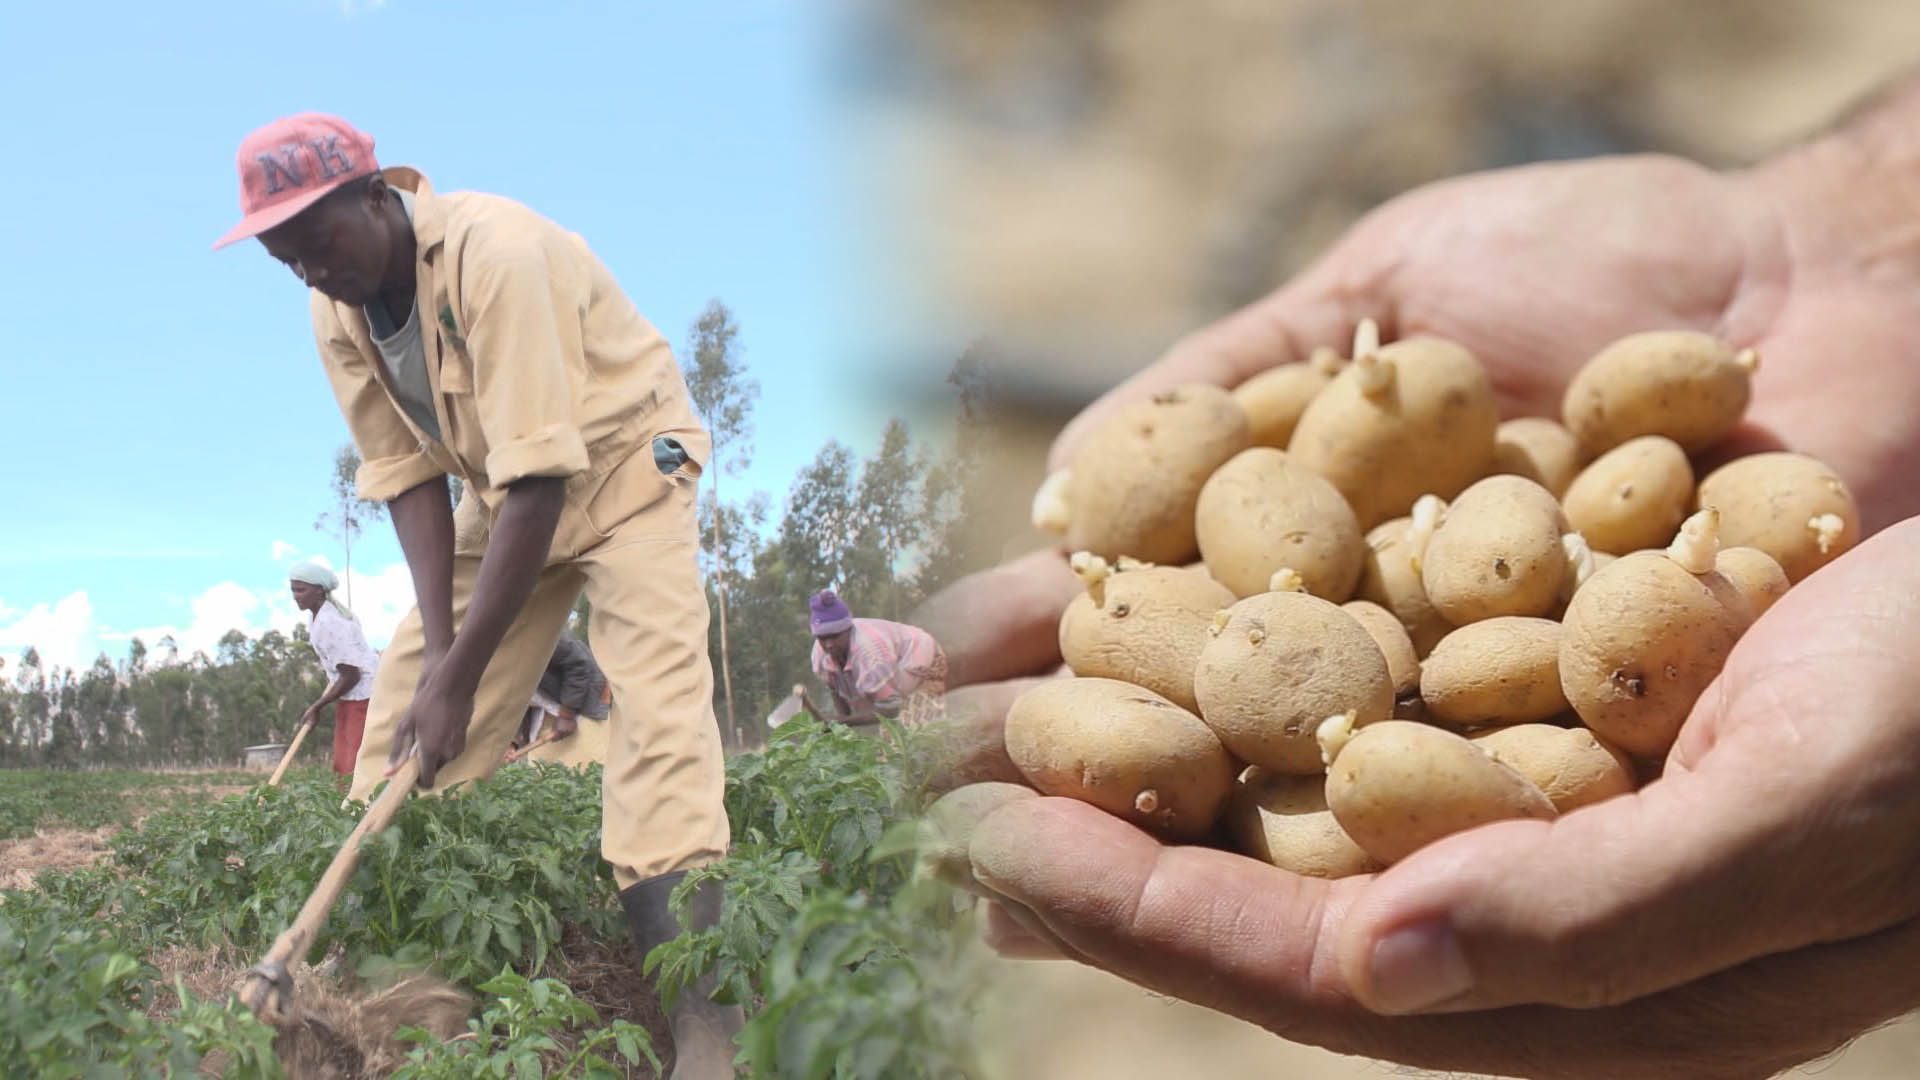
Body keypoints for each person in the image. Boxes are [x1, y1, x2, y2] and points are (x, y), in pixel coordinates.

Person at [913, 69, 1920, 1080]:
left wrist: (1850, 252)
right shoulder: (1323, 606)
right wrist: (1846, 231)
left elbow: (1480, 655)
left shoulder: (1531, 568)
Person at [213, 113, 740, 1078]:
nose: (310, 273)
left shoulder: (497, 254)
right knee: (405, 719)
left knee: (659, 736)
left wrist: (465, 679)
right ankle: (381, 987)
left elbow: (545, 480)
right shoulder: (335, 306)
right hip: (502, 497)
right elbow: (411, 478)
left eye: (317, 243)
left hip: (628, 471)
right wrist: (445, 662)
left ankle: (709, 1033)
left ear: (379, 197)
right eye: (286, 261)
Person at [288, 560, 380, 777]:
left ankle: (360, 808)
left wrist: (317, 706)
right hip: (351, 694)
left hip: (363, 695)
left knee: (354, 764)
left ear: (319, 590)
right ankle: (346, 806)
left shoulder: (330, 622)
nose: (296, 596)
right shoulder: (318, 616)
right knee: (343, 761)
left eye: (301, 590)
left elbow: (352, 676)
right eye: (293, 590)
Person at [807, 589, 948, 731]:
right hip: (891, 673)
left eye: (836, 636)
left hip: (923, 662)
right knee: (885, 735)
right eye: (823, 638)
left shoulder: (871, 655)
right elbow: (835, 690)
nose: (829, 645)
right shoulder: (819, 654)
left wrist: (843, 721)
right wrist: (840, 731)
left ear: (848, 630)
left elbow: (892, 710)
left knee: (918, 734)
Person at [510, 630, 613, 768]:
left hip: (582, 704)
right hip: (544, 713)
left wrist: (566, 715)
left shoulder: (537, 630)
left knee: (589, 767)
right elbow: (512, 699)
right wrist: (513, 741)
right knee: (539, 774)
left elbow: (579, 663)